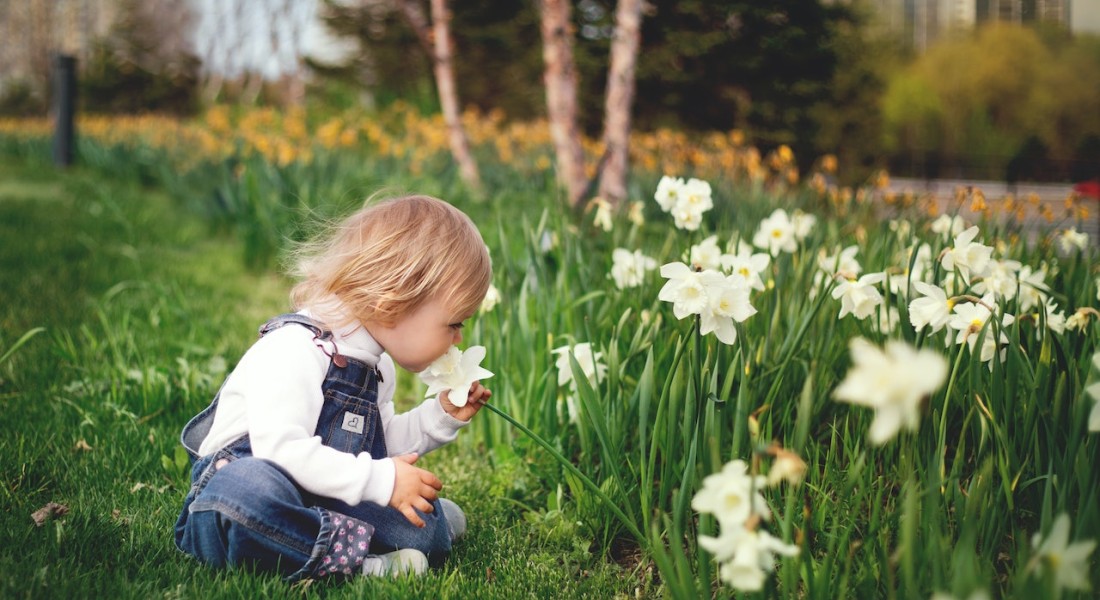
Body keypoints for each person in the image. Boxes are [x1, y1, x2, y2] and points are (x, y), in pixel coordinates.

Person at [174, 195, 493, 581]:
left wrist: (439, 417)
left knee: (423, 527)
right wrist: (382, 481)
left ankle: (410, 528)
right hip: (247, 493)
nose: (458, 339)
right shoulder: (295, 349)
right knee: (246, 494)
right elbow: (281, 452)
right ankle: (360, 564)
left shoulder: (377, 367)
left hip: (320, 492)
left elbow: (379, 445)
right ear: (393, 301)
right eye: (454, 323)